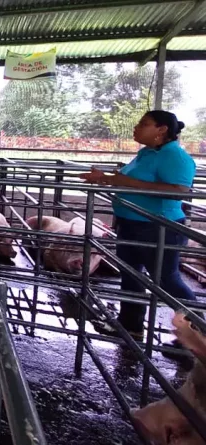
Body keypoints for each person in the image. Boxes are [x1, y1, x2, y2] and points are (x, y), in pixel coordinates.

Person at [81, 110, 199, 353]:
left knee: (168, 280)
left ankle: (197, 334)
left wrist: (120, 181)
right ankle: (130, 324)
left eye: (144, 124)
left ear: (162, 129)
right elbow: (129, 180)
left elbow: (179, 191)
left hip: (158, 227)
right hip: (131, 223)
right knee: (130, 274)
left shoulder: (175, 156)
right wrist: (105, 179)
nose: (136, 127)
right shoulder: (147, 153)